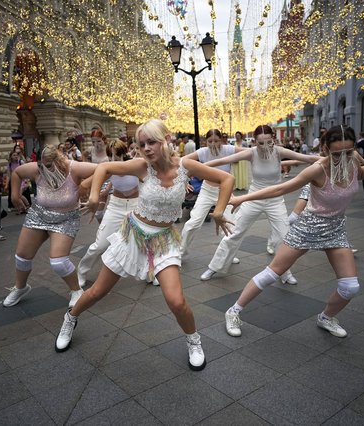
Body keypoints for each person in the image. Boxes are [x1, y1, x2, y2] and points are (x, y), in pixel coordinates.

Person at [54, 119, 234, 371]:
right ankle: (70, 318)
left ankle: (194, 340)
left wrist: (219, 211)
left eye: (152, 142)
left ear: (167, 139)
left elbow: (226, 180)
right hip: (133, 235)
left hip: (164, 240)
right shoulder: (141, 167)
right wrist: (95, 197)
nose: (146, 148)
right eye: (141, 144)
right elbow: (104, 169)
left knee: (176, 301)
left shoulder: (185, 166)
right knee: (97, 292)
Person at [223, 125, 364, 338]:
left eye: (349, 152)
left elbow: (361, 174)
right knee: (272, 273)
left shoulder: (353, 161)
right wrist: (242, 198)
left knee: (350, 287)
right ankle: (233, 311)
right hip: (308, 227)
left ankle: (326, 317)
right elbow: (281, 188)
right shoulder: (318, 169)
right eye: (337, 154)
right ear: (326, 149)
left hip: (335, 229)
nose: (343, 158)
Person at [199, 125, 318, 283]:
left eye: (269, 142)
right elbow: (223, 160)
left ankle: (284, 272)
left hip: (275, 199)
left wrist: (336, 158)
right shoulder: (251, 153)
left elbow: (308, 158)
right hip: (254, 198)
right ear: (255, 142)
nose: (265, 146)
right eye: (261, 143)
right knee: (234, 232)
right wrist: (194, 168)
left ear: (273, 139)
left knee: (284, 236)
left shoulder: (279, 151)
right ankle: (215, 267)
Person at [2, 144, 98, 309]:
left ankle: (76, 290)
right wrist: (14, 195)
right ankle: (20, 287)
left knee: (58, 262)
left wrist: (85, 185)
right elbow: (17, 173)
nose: (43, 168)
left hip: (66, 218)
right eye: (41, 164)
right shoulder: (37, 169)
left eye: (47, 165)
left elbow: (104, 170)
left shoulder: (73, 168)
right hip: (39, 215)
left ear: (58, 159)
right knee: (22, 257)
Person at [77, 140, 140, 288]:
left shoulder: (136, 164)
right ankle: (81, 272)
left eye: (115, 155)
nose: (112, 159)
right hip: (116, 206)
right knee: (100, 245)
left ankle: (152, 272)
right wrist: (90, 200)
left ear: (123, 153)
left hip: (136, 206)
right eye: (109, 155)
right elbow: (85, 184)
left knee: (144, 242)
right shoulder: (108, 168)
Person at [180, 129, 245, 258]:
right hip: (207, 190)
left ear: (221, 140)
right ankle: (181, 251)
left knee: (229, 224)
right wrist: (184, 180)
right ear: (205, 141)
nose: (213, 144)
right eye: (210, 141)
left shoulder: (228, 149)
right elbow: (181, 162)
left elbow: (250, 153)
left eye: (216, 141)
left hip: (225, 192)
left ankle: (227, 255)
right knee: (193, 223)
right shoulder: (202, 152)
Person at [6, 149, 30, 213]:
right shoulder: (9, 164)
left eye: (16, 155)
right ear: (11, 156)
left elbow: (26, 171)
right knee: (15, 197)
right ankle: (22, 208)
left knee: (19, 195)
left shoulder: (21, 162)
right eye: (14, 155)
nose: (16, 156)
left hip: (22, 181)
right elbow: (8, 175)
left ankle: (27, 206)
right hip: (14, 182)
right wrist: (6, 184)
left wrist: (27, 181)